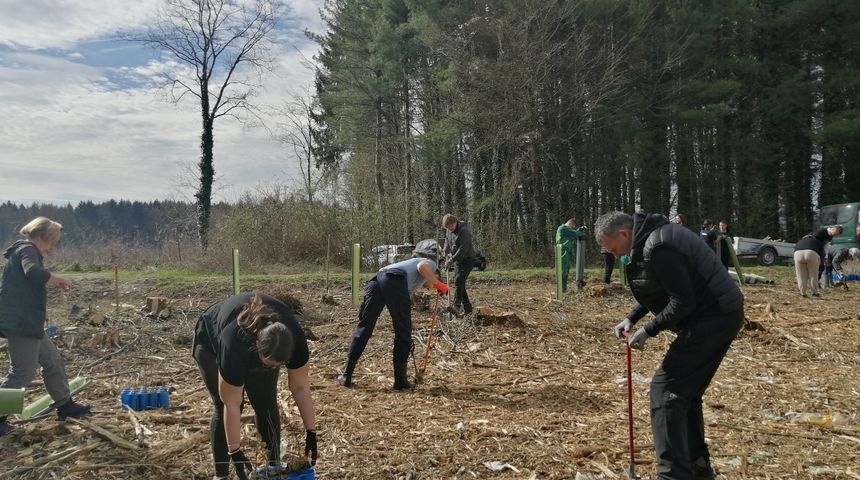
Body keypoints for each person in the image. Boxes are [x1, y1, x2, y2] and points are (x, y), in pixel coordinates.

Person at [594, 211, 744, 480]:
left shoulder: (659, 246)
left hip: (714, 317)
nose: (615, 256)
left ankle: (673, 474)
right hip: (719, 313)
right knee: (683, 394)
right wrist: (632, 317)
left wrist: (648, 330)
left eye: (613, 249)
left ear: (624, 234)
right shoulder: (651, 240)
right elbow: (660, 286)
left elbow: (682, 301)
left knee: (665, 390)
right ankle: (697, 466)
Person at [193, 293, 317, 480]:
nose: (274, 369)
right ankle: (221, 475)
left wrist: (311, 431)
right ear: (258, 344)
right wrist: (234, 450)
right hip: (209, 342)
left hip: (265, 345)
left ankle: (273, 466)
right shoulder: (233, 341)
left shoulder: (295, 339)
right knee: (222, 405)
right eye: (270, 364)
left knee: (265, 401)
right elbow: (232, 404)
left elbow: (300, 387)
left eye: (279, 365)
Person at [0, 217, 91, 436]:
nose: (51, 248)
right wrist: (59, 278)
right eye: (51, 242)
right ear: (41, 238)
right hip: (21, 324)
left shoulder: (23, 251)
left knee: (53, 360)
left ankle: (65, 405)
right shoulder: (28, 250)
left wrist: (40, 312)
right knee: (22, 372)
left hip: (29, 321)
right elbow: (34, 274)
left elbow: (25, 289)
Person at [337, 245, 448, 390]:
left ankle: (346, 375)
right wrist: (439, 284)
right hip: (393, 279)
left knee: (365, 327)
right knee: (403, 332)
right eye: (431, 283)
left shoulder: (409, 277)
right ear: (435, 274)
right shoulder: (429, 264)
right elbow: (423, 266)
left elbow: (403, 299)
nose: (430, 287)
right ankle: (400, 381)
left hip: (376, 280)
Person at [442, 214, 477, 317]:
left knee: (458, 280)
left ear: (454, 223)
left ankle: (456, 305)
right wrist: (445, 253)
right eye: (447, 228)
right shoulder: (449, 230)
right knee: (460, 285)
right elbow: (447, 243)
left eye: (450, 227)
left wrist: (451, 260)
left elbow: (463, 249)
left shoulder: (464, 231)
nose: (449, 229)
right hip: (458, 261)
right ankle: (468, 310)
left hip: (468, 260)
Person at [793, 226, 842, 298]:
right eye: (836, 233)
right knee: (813, 274)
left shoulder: (803, 239)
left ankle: (803, 294)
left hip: (797, 252)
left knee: (801, 275)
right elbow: (823, 250)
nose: (835, 235)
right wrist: (822, 261)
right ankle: (815, 293)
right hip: (811, 251)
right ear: (834, 229)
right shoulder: (820, 234)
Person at [555, 218, 588, 292]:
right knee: (563, 271)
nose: (573, 229)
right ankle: (561, 290)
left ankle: (563, 289)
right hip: (562, 251)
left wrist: (579, 230)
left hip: (566, 251)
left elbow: (574, 232)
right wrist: (580, 231)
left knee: (566, 270)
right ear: (570, 224)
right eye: (573, 227)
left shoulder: (566, 229)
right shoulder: (563, 228)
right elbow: (575, 233)